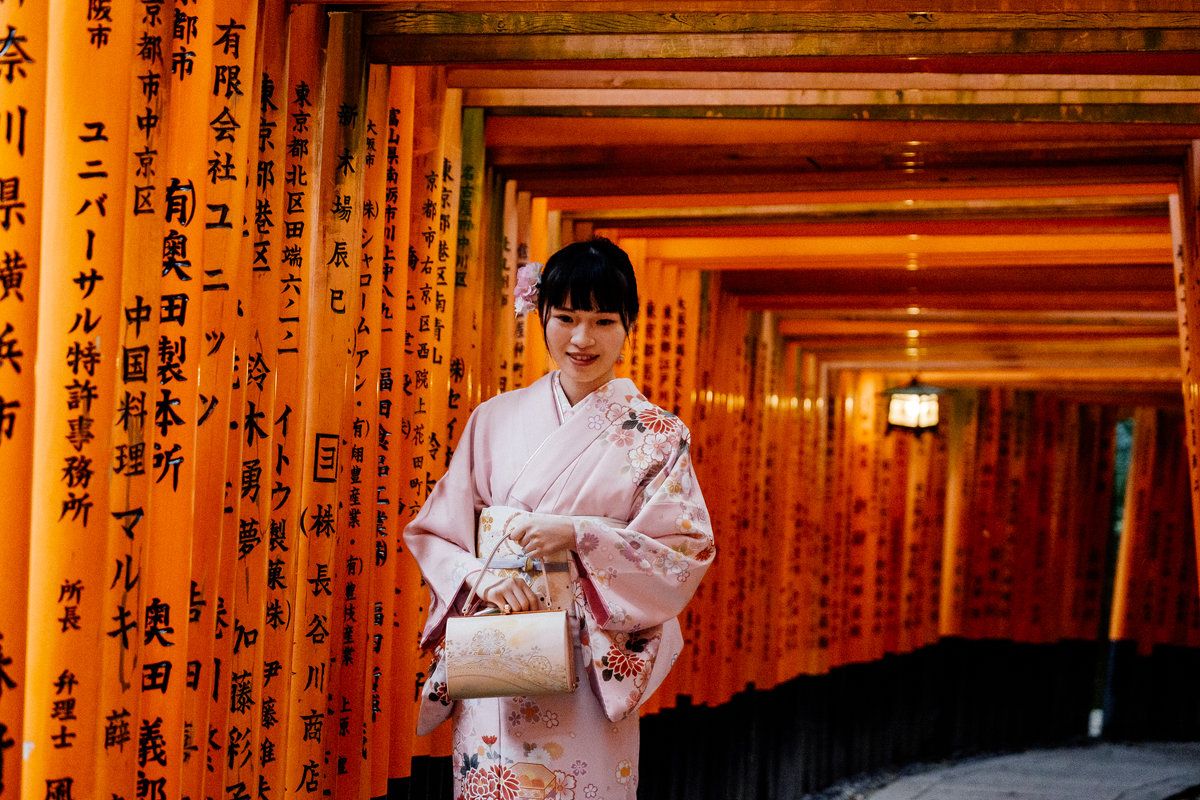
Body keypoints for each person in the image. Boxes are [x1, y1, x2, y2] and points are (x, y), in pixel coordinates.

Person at [403, 236, 716, 800]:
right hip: (500, 649)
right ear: (540, 315)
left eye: (602, 321)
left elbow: (683, 550)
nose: (581, 339)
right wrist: (481, 575)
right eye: (565, 317)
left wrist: (578, 535)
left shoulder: (658, 435)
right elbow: (435, 532)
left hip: (588, 666)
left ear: (628, 326)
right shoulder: (492, 419)